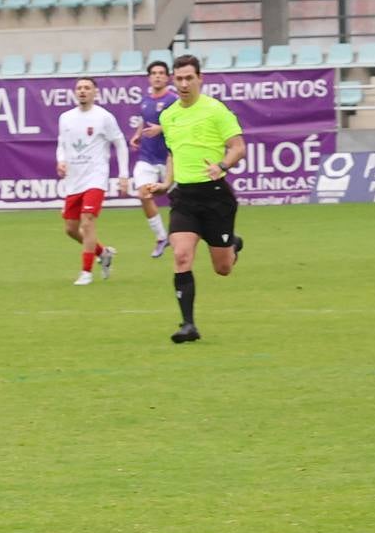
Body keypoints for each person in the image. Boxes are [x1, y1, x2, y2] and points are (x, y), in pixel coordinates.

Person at [141, 54, 246, 343]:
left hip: (215, 197)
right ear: (174, 81)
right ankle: (188, 325)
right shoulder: (169, 115)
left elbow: (238, 147)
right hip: (184, 197)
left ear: (200, 79)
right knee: (181, 255)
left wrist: (222, 166)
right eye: (180, 78)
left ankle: (232, 244)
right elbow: (174, 153)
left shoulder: (216, 110)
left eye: (190, 78)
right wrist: (166, 183)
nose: (184, 83)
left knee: (222, 268)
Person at [55, 77, 129, 285]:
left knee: (87, 220)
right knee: (71, 228)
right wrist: (61, 161)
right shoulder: (66, 118)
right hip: (74, 180)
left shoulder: (104, 117)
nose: (82, 91)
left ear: (95, 92)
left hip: (95, 177)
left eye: (87, 88)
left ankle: (86, 272)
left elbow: (120, 143)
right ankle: (103, 252)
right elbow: (62, 143)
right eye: (79, 88)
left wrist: (123, 175)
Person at [128, 60, 178, 257]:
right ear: (149, 77)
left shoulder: (173, 100)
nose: (157, 76)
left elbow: (181, 123)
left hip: (169, 158)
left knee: (182, 201)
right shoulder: (145, 100)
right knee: (143, 194)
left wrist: (161, 128)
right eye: (154, 73)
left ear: (167, 77)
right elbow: (144, 120)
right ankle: (161, 237)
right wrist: (138, 134)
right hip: (147, 158)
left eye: (161, 73)